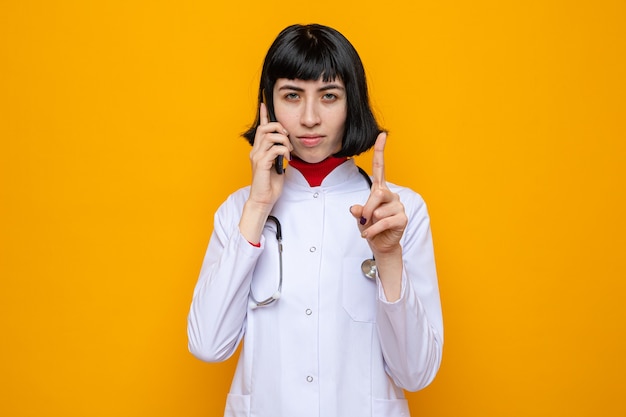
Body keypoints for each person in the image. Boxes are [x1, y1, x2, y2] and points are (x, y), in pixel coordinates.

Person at [188, 23, 443, 417]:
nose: (309, 118)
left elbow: (417, 374)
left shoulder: (401, 211)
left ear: (351, 102)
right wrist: (257, 207)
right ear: (267, 106)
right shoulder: (237, 211)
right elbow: (207, 345)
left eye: (328, 96)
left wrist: (389, 256)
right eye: (292, 95)